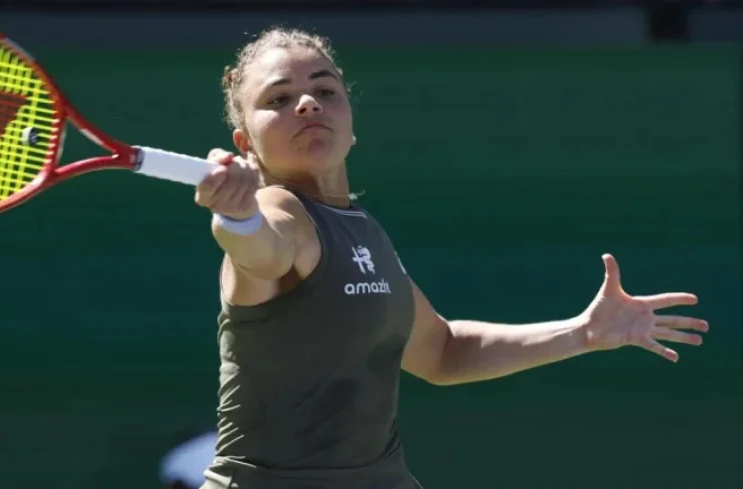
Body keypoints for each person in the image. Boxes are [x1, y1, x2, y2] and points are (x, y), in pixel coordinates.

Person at [193, 27, 707, 489]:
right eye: (279, 99)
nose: (308, 104)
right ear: (246, 144)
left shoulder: (364, 232)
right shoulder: (278, 210)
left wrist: (583, 332)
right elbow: (261, 249)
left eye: (325, 91)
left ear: (350, 122)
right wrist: (236, 220)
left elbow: (441, 350)